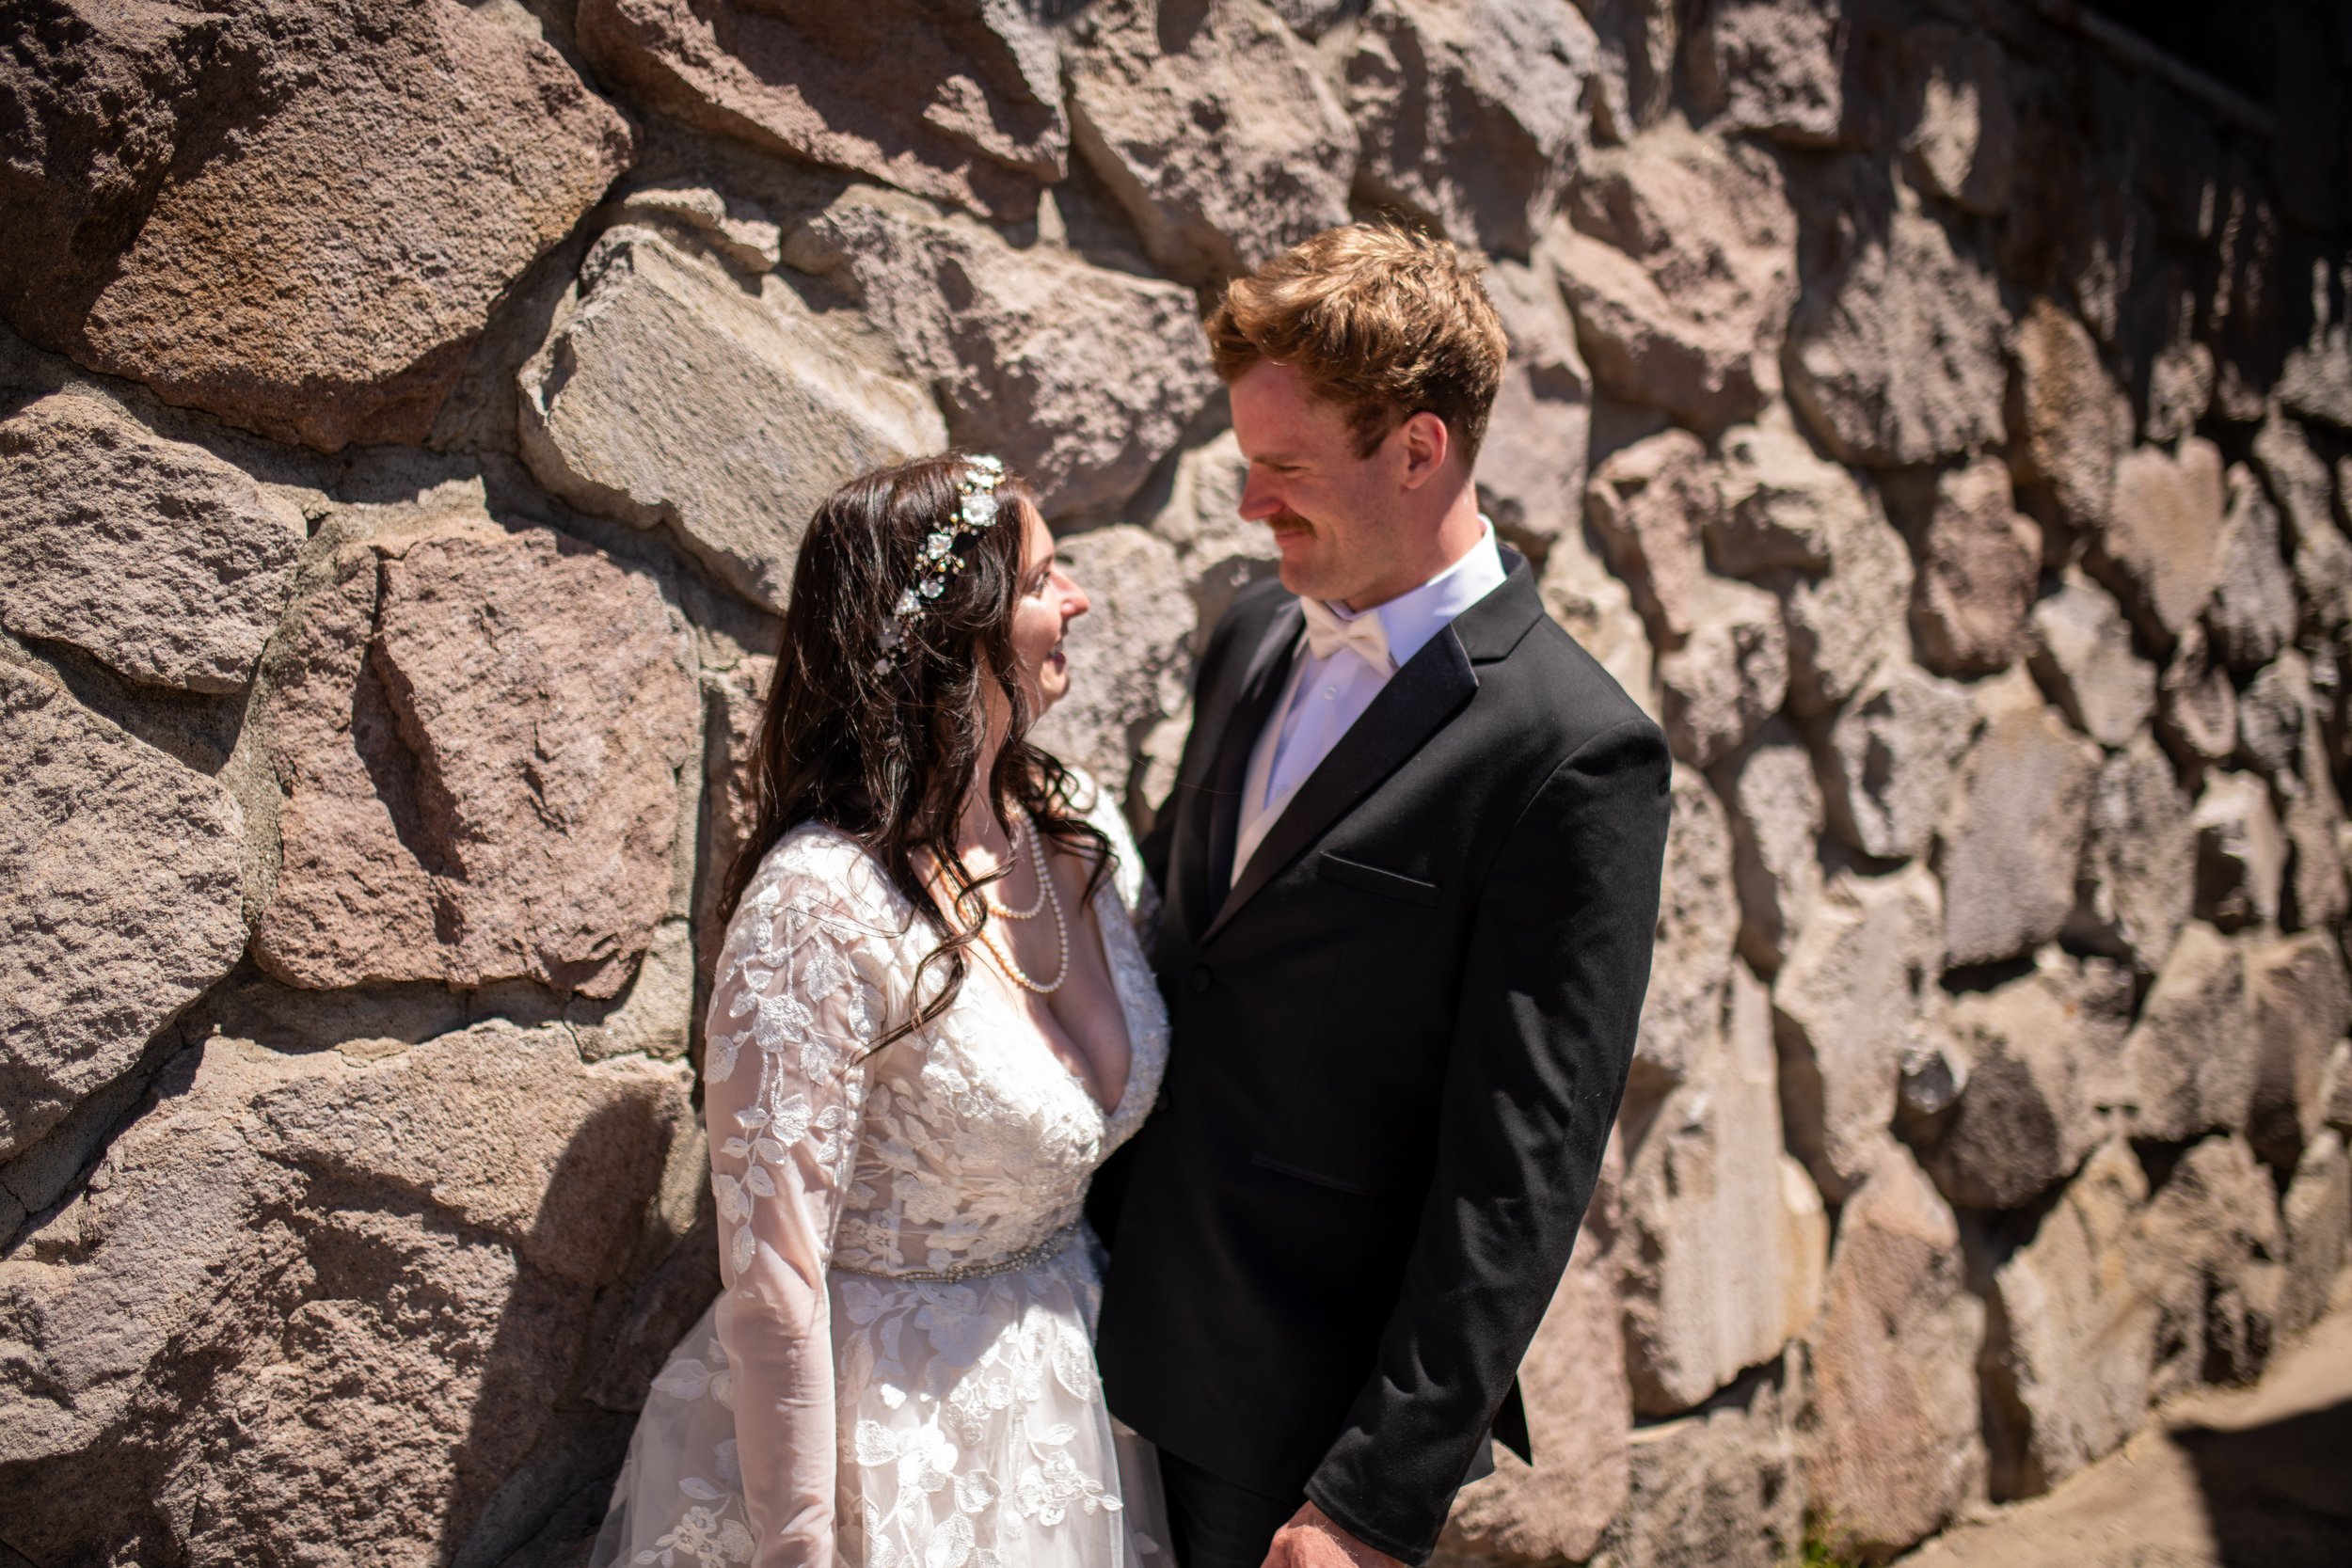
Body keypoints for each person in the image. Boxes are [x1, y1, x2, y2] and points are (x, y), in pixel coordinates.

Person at [1087, 223, 1673, 1568]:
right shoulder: (1246, 631)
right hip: (1098, 1334)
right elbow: (1193, 953)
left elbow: (1518, 1166)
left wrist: (1370, 1498)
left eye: (1284, 471)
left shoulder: (1576, 750)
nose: (1251, 507)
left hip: (1293, 1424)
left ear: (1417, 448)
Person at [591, 453, 1172, 1568]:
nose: (1080, 599)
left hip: (1072, 1398)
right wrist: (804, 1545)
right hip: (885, 1443)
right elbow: (773, 1282)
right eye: (1048, 577)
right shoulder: (821, 904)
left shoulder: (1074, 827)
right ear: (965, 628)